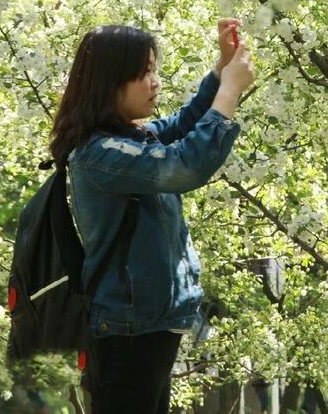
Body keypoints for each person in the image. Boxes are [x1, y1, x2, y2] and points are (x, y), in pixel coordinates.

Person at [49, 21, 254, 413]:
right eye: (144, 73)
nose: (155, 82)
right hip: (128, 331)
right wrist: (229, 90)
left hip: (146, 325)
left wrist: (219, 70)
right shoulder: (101, 154)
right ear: (109, 82)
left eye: (153, 70)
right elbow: (184, 164)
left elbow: (181, 126)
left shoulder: (125, 139)